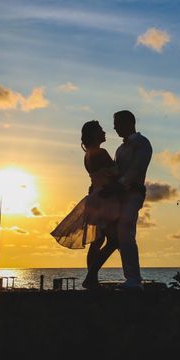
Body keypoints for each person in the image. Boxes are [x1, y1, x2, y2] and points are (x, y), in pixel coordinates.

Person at [50, 121, 121, 289]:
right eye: (100, 130)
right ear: (94, 134)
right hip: (104, 198)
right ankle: (91, 277)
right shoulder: (101, 153)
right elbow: (116, 174)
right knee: (114, 241)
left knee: (97, 241)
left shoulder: (88, 154)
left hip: (95, 198)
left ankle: (92, 279)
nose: (104, 132)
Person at [87, 110, 153, 291]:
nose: (114, 127)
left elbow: (135, 170)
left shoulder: (142, 143)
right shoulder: (120, 149)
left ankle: (133, 279)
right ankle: (127, 277)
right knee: (116, 236)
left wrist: (116, 186)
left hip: (133, 194)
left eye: (117, 123)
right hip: (116, 197)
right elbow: (112, 173)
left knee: (125, 228)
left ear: (128, 122)